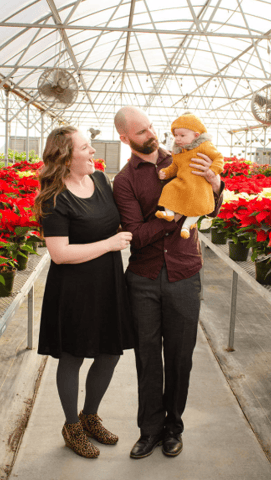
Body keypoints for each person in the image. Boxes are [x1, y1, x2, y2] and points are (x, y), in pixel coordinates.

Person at [113, 106, 224, 460]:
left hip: (185, 273)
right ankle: (149, 431)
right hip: (143, 279)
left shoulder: (187, 155)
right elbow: (136, 235)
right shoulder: (125, 180)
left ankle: (173, 428)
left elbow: (212, 207)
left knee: (180, 358)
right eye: (142, 131)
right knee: (147, 359)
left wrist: (215, 183)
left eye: (150, 126)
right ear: (125, 138)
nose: (152, 134)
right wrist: (174, 216)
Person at [34, 126, 134, 459]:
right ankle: (70, 427)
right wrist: (109, 244)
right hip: (74, 289)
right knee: (73, 356)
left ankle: (89, 416)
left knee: (110, 352)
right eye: (86, 148)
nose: (94, 152)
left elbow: (116, 221)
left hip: (107, 282)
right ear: (65, 156)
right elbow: (60, 254)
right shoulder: (54, 198)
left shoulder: (102, 182)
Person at [155, 112, 224, 239]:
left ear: (196, 135)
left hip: (200, 184)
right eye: (175, 135)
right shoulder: (179, 152)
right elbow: (175, 166)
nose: (178, 138)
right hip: (183, 182)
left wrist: (213, 170)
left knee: (198, 205)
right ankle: (169, 213)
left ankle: (186, 227)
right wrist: (166, 172)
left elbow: (218, 158)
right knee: (168, 189)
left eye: (182, 135)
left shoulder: (204, 146)